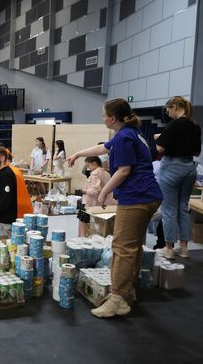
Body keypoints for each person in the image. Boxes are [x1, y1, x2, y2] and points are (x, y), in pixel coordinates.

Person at [67, 98, 162, 318]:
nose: (102, 119)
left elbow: (123, 170)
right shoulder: (130, 133)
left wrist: (102, 192)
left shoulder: (124, 137)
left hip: (137, 197)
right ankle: (128, 292)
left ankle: (118, 298)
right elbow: (103, 147)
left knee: (122, 247)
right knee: (133, 246)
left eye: (103, 115)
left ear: (112, 118)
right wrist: (79, 153)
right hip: (146, 195)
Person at [155, 96, 201, 259]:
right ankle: (184, 248)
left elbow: (159, 148)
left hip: (172, 168)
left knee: (169, 209)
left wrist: (157, 139)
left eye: (168, 111)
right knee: (183, 208)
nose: (168, 114)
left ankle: (168, 248)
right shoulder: (195, 126)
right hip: (190, 168)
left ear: (174, 107)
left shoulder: (173, 125)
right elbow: (196, 151)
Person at [0, 148, 33, 218]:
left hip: (12, 212)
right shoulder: (16, 171)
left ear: (3, 158)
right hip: (24, 209)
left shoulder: (4, 173)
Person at [77, 156, 113, 237]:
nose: (88, 168)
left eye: (88, 165)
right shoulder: (107, 173)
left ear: (94, 163)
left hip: (91, 203)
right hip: (104, 203)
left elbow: (96, 190)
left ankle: (81, 238)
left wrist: (83, 191)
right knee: (100, 225)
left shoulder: (95, 174)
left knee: (82, 220)